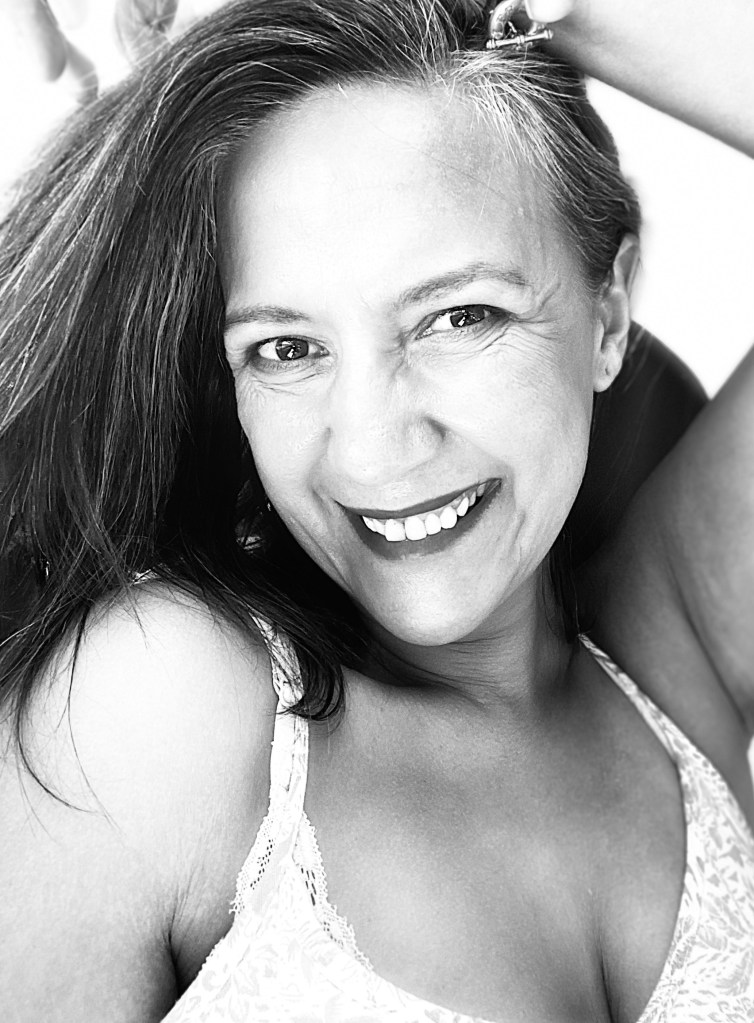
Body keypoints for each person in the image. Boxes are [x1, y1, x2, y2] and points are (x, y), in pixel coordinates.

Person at [0, 1, 752, 1021]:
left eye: (459, 317)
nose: (370, 447)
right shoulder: (158, 707)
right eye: (286, 348)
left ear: (608, 314)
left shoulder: (675, 653)